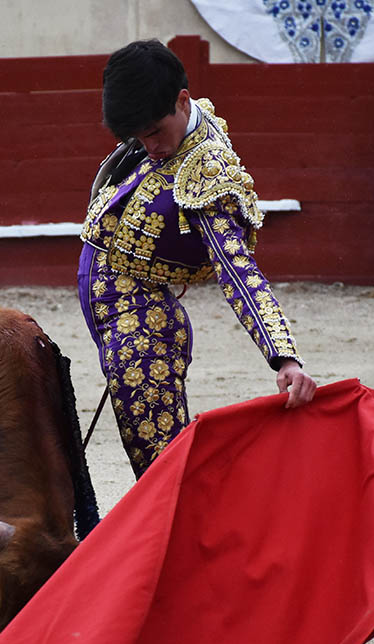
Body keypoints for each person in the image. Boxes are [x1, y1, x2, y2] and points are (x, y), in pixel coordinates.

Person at [78, 39, 317, 479]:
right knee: (162, 466)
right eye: (138, 136)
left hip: (141, 321)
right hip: (123, 311)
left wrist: (284, 357)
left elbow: (237, 270)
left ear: (182, 102)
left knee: (162, 471)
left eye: (153, 132)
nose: (148, 145)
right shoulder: (178, 122)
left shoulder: (206, 173)